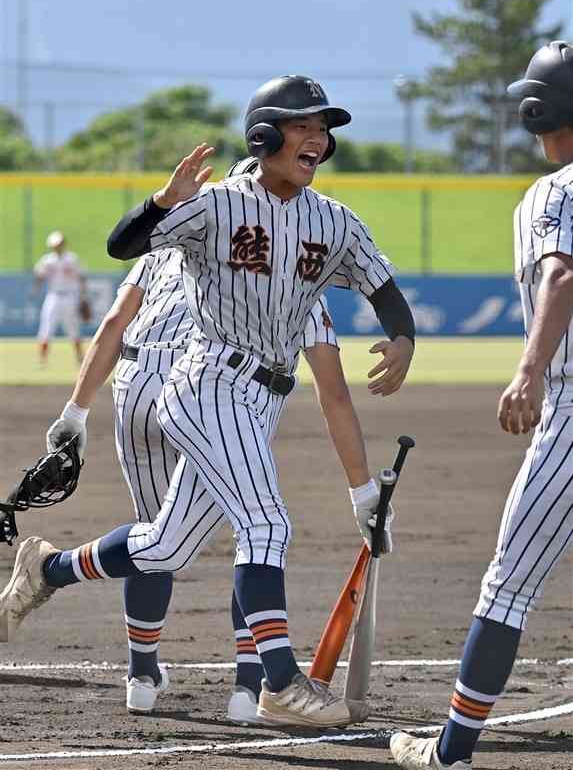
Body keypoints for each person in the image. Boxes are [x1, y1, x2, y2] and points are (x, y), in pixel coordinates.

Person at [0, 75, 415, 729]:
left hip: (262, 399)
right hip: (205, 384)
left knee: (165, 547)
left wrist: (403, 336)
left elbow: (380, 283)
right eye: (303, 125)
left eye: (323, 129)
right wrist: (164, 199)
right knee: (267, 525)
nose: (317, 138)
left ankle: (49, 568)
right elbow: (123, 245)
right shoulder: (217, 206)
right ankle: (280, 683)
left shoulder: (333, 221)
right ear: (264, 135)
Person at [390, 41, 573, 769]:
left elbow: (559, 276)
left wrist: (527, 371)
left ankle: (451, 751)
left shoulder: (555, 192)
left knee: (507, 586)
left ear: (534, 109)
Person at [33, 231, 87, 366]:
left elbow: (81, 278)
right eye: (55, 244)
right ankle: (42, 360)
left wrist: (83, 296)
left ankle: (80, 357)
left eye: (59, 243)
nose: (57, 246)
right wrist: (36, 290)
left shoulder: (72, 259)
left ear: (63, 244)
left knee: (73, 329)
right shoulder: (47, 260)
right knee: (46, 328)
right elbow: (40, 276)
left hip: (70, 296)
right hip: (53, 296)